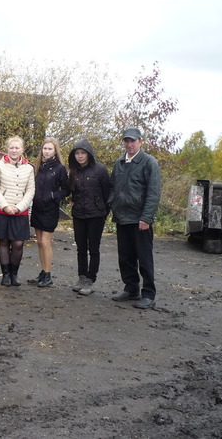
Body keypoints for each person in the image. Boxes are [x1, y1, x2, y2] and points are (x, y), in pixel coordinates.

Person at [109, 127, 161, 309]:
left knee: (144, 258)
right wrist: (113, 204)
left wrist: (146, 217)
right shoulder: (119, 163)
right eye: (127, 141)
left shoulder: (148, 162)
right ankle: (131, 288)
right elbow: (112, 187)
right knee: (125, 257)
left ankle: (148, 294)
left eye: (133, 141)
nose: (129, 144)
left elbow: (153, 193)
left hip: (140, 219)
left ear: (140, 142)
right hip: (122, 217)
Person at [0, 136, 35, 286]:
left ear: (22, 149)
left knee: (18, 244)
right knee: (3, 241)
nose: (14, 150)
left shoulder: (29, 168)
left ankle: (15, 274)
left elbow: (30, 191)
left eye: (17, 148)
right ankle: (6, 274)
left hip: (19, 211)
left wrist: (19, 207)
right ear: (7, 149)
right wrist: (4, 205)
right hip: (2, 209)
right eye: (11, 148)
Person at [67, 139, 110, 296]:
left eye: (82, 153)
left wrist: (104, 211)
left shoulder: (100, 170)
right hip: (79, 214)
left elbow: (108, 192)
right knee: (81, 248)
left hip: (96, 215)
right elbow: (72, 192)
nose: (80, 156)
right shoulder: (74, 171)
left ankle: (90, 280)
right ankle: (82, 277)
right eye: (77, 153)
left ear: (89, 154)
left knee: (94, 248)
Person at [29, 138, 69, 288]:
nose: (46, 151)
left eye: (49, 149)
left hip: (50, 209)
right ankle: (43, 272)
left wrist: (53, 196)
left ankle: (48, 274)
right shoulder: (38, 167)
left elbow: (66, 189)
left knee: (46, 242)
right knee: (39, 242)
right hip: (37, 208)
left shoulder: (59, 168)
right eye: (45, 148)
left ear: (55, 151)